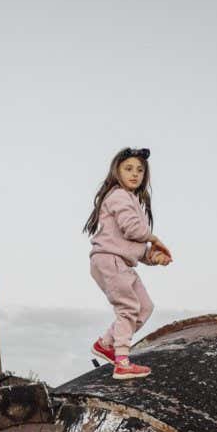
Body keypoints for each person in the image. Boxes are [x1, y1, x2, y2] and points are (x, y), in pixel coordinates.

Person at [83, 146, 172, 380]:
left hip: (121, 261)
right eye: (128, 169)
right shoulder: (118, 195)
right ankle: (122, 360)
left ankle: (106, 344)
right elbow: (132, 229)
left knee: (145, 306)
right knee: (128, 308)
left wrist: (155, 257)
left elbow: (137, 248)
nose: (135, 174)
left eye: (140, 170)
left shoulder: (131, 201)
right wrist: (154, 238)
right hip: (110, 260)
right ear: (117, 172)